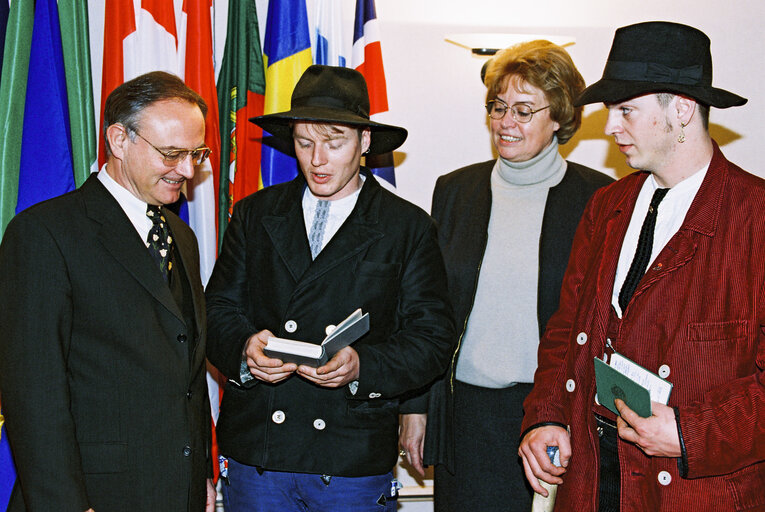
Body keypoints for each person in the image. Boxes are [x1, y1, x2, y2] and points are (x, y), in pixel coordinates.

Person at [519, 21, 765, 511]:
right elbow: (567, 330)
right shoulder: (606, 206)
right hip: (593, 482)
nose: (610, 127)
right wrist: (545, 416)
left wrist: (691, 432)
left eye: (626, 111)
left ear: (682, 109)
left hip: (695, 493)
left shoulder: (754, 218)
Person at [205, 65, 455, 512]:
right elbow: (216, 309)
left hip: (349, 455)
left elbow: (432, 339)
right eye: (305, 143)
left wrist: (362, 365)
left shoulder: (408, 226)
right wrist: (245, 349)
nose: (317, 160)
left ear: (365, 142)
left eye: (334, 142)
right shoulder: (254, 214)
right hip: (261, 450)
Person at [398, 40, 613, 511]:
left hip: (558, 415)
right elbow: (427, 312)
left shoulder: (600, 199)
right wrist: (416, 408)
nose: (504, 122)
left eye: (522, 109)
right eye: (497, 107)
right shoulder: (455, 190)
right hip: (466, 418)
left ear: (559, 117)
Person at [0, 71, 216, 512]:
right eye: (172, 153)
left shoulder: (180, 235)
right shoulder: (44, 233)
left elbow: (185, 376)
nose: (188, 171)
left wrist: (201, 479)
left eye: (197, 153)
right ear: (118, 139)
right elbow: (33, 393)